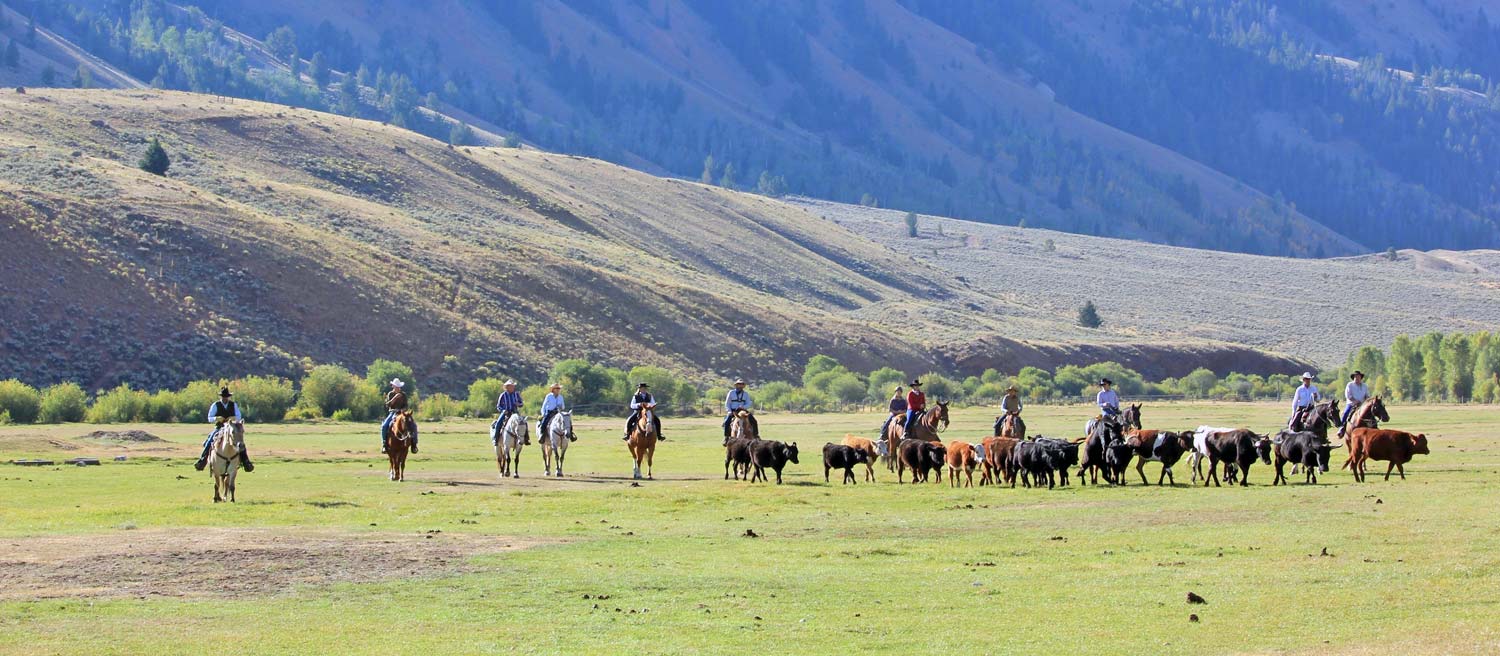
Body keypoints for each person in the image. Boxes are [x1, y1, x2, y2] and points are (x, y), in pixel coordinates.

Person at [194, 386, 253, 472]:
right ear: (221, 396)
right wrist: (216, 418)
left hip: (232, 427)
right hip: (220, 427)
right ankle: (202, 461)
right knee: (210, 441)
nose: (225, 398)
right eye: (223, 396)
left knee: (240, 443)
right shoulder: (215, 405)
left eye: (226, 396)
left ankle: (246, 462)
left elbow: (239, 416)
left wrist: (233, 418)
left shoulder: (233, 405)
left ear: (228, 397)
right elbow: (209, 417)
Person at [380, 378, 416, 454]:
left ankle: (414, 444)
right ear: (393, 386)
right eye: (396, 386)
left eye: (399, 387)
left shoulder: (403, 395)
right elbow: (387, 405)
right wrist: (395, 397)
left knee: (413, 425)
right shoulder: (390, 394)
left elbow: (406, 405)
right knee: (384, 426)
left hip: (402, 413)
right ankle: (384, 444)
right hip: (392, 412)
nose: (398, 388)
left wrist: (403, 410)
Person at [1339, 371, 1370, 437]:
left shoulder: (1365, 386)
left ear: (1361, 377)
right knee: (1346, 413)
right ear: (1353, 377)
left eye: (1358, 376)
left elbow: (1367, 395)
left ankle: (1374, 427)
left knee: (1370, 413)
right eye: (1355, 376)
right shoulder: (1350, 385)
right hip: (1351, 404)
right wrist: (1356, 401)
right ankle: (1341, 428)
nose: (1356, 378)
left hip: (1362, 405)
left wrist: (1367, 399)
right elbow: (1348, 395)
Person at [494, 380, 523, 446]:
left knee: (523, 423)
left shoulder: (516, 394)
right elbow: (498, 406)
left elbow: (521, 403)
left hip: (515, 412)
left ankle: (525, 439)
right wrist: (503, 410)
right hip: (506, 413)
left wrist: (518, 404)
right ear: (507, 387)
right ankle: (496, 439)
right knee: (499, 423)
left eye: (513, 386)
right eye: (511, 386)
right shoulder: (503, 395)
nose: (512, 388)